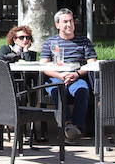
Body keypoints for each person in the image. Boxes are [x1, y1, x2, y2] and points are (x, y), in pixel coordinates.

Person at [40, 9, 98, 142]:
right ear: (57, 24)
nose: (69, 24)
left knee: (82, 90)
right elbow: (43, 67)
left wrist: (76, 74)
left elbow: (92, 64)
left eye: (71, 21)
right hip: (56, 77)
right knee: (57, 91)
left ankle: (76, 127)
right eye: (65, 21)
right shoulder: (50, 42)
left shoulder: (84, 41)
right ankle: (68, 126)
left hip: (77, 77)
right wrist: (60, 76)